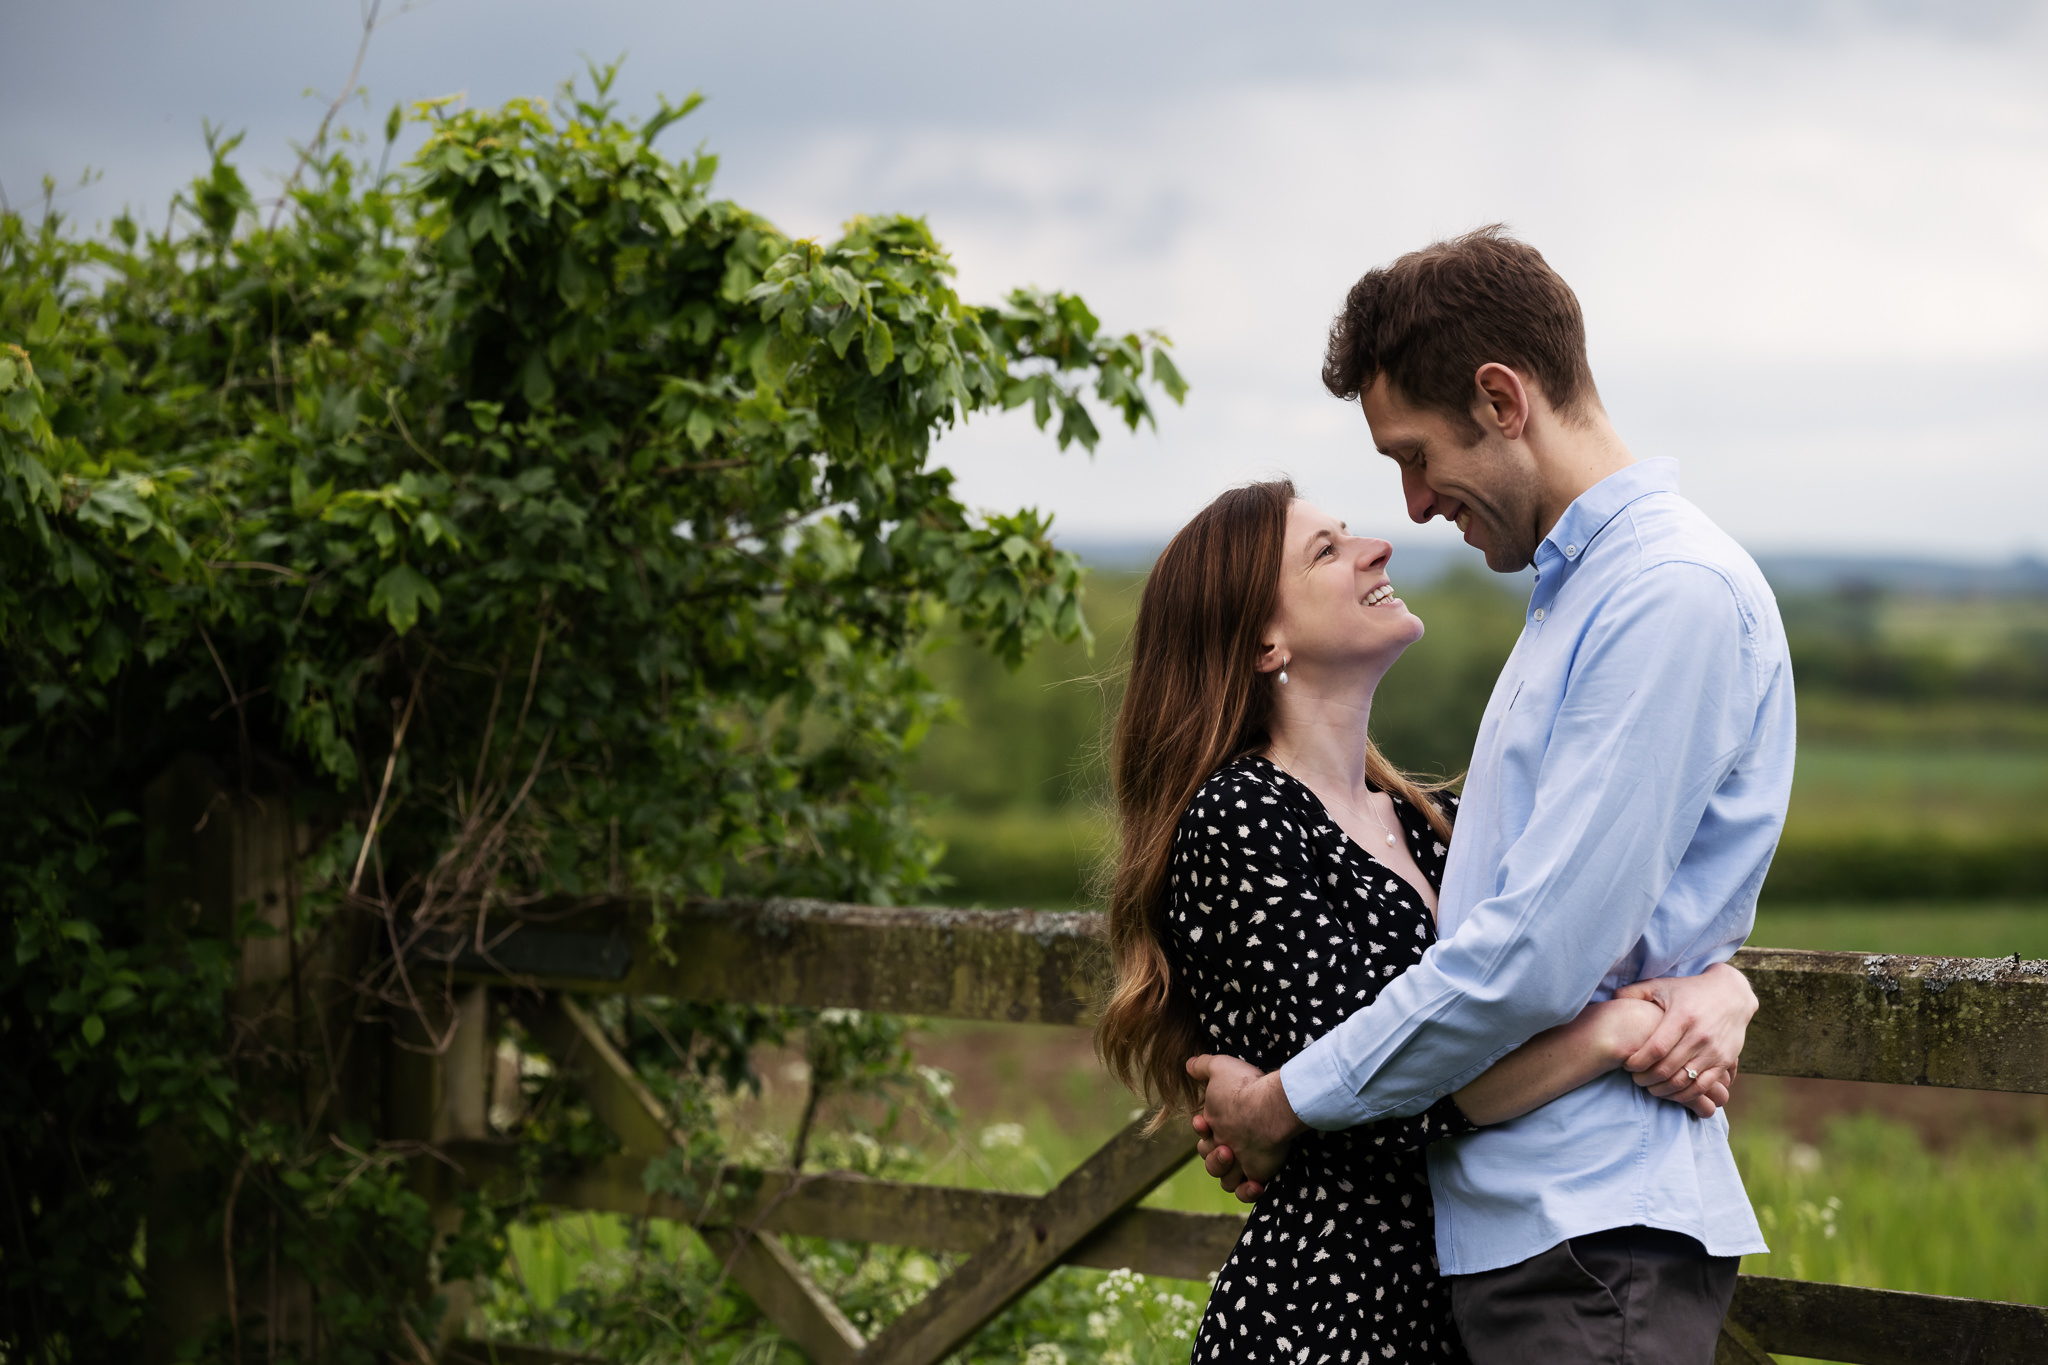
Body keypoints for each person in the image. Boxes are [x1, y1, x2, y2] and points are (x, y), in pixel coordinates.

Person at [1184, 228, 1795, 1364]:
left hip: (1585, 1224)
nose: (1413, 507)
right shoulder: (1579, 597)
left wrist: (1281, 1102)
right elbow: (1600, 909)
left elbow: (1535, 954)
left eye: (1415, 455)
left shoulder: (1660, 593)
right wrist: (1710, 984)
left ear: (1502, 401)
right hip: (1525, 1233)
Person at [1095, 479, 1760, 1363]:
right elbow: (1409, 1083)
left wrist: (1724, 989)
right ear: (1263, 642)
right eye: (1326, 550)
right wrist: (1621, 1032)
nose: (1376, 546)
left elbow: (1572, 938)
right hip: (1330, 1312)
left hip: (1464, 1292)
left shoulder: (1430, 820)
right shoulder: (1240, 817)